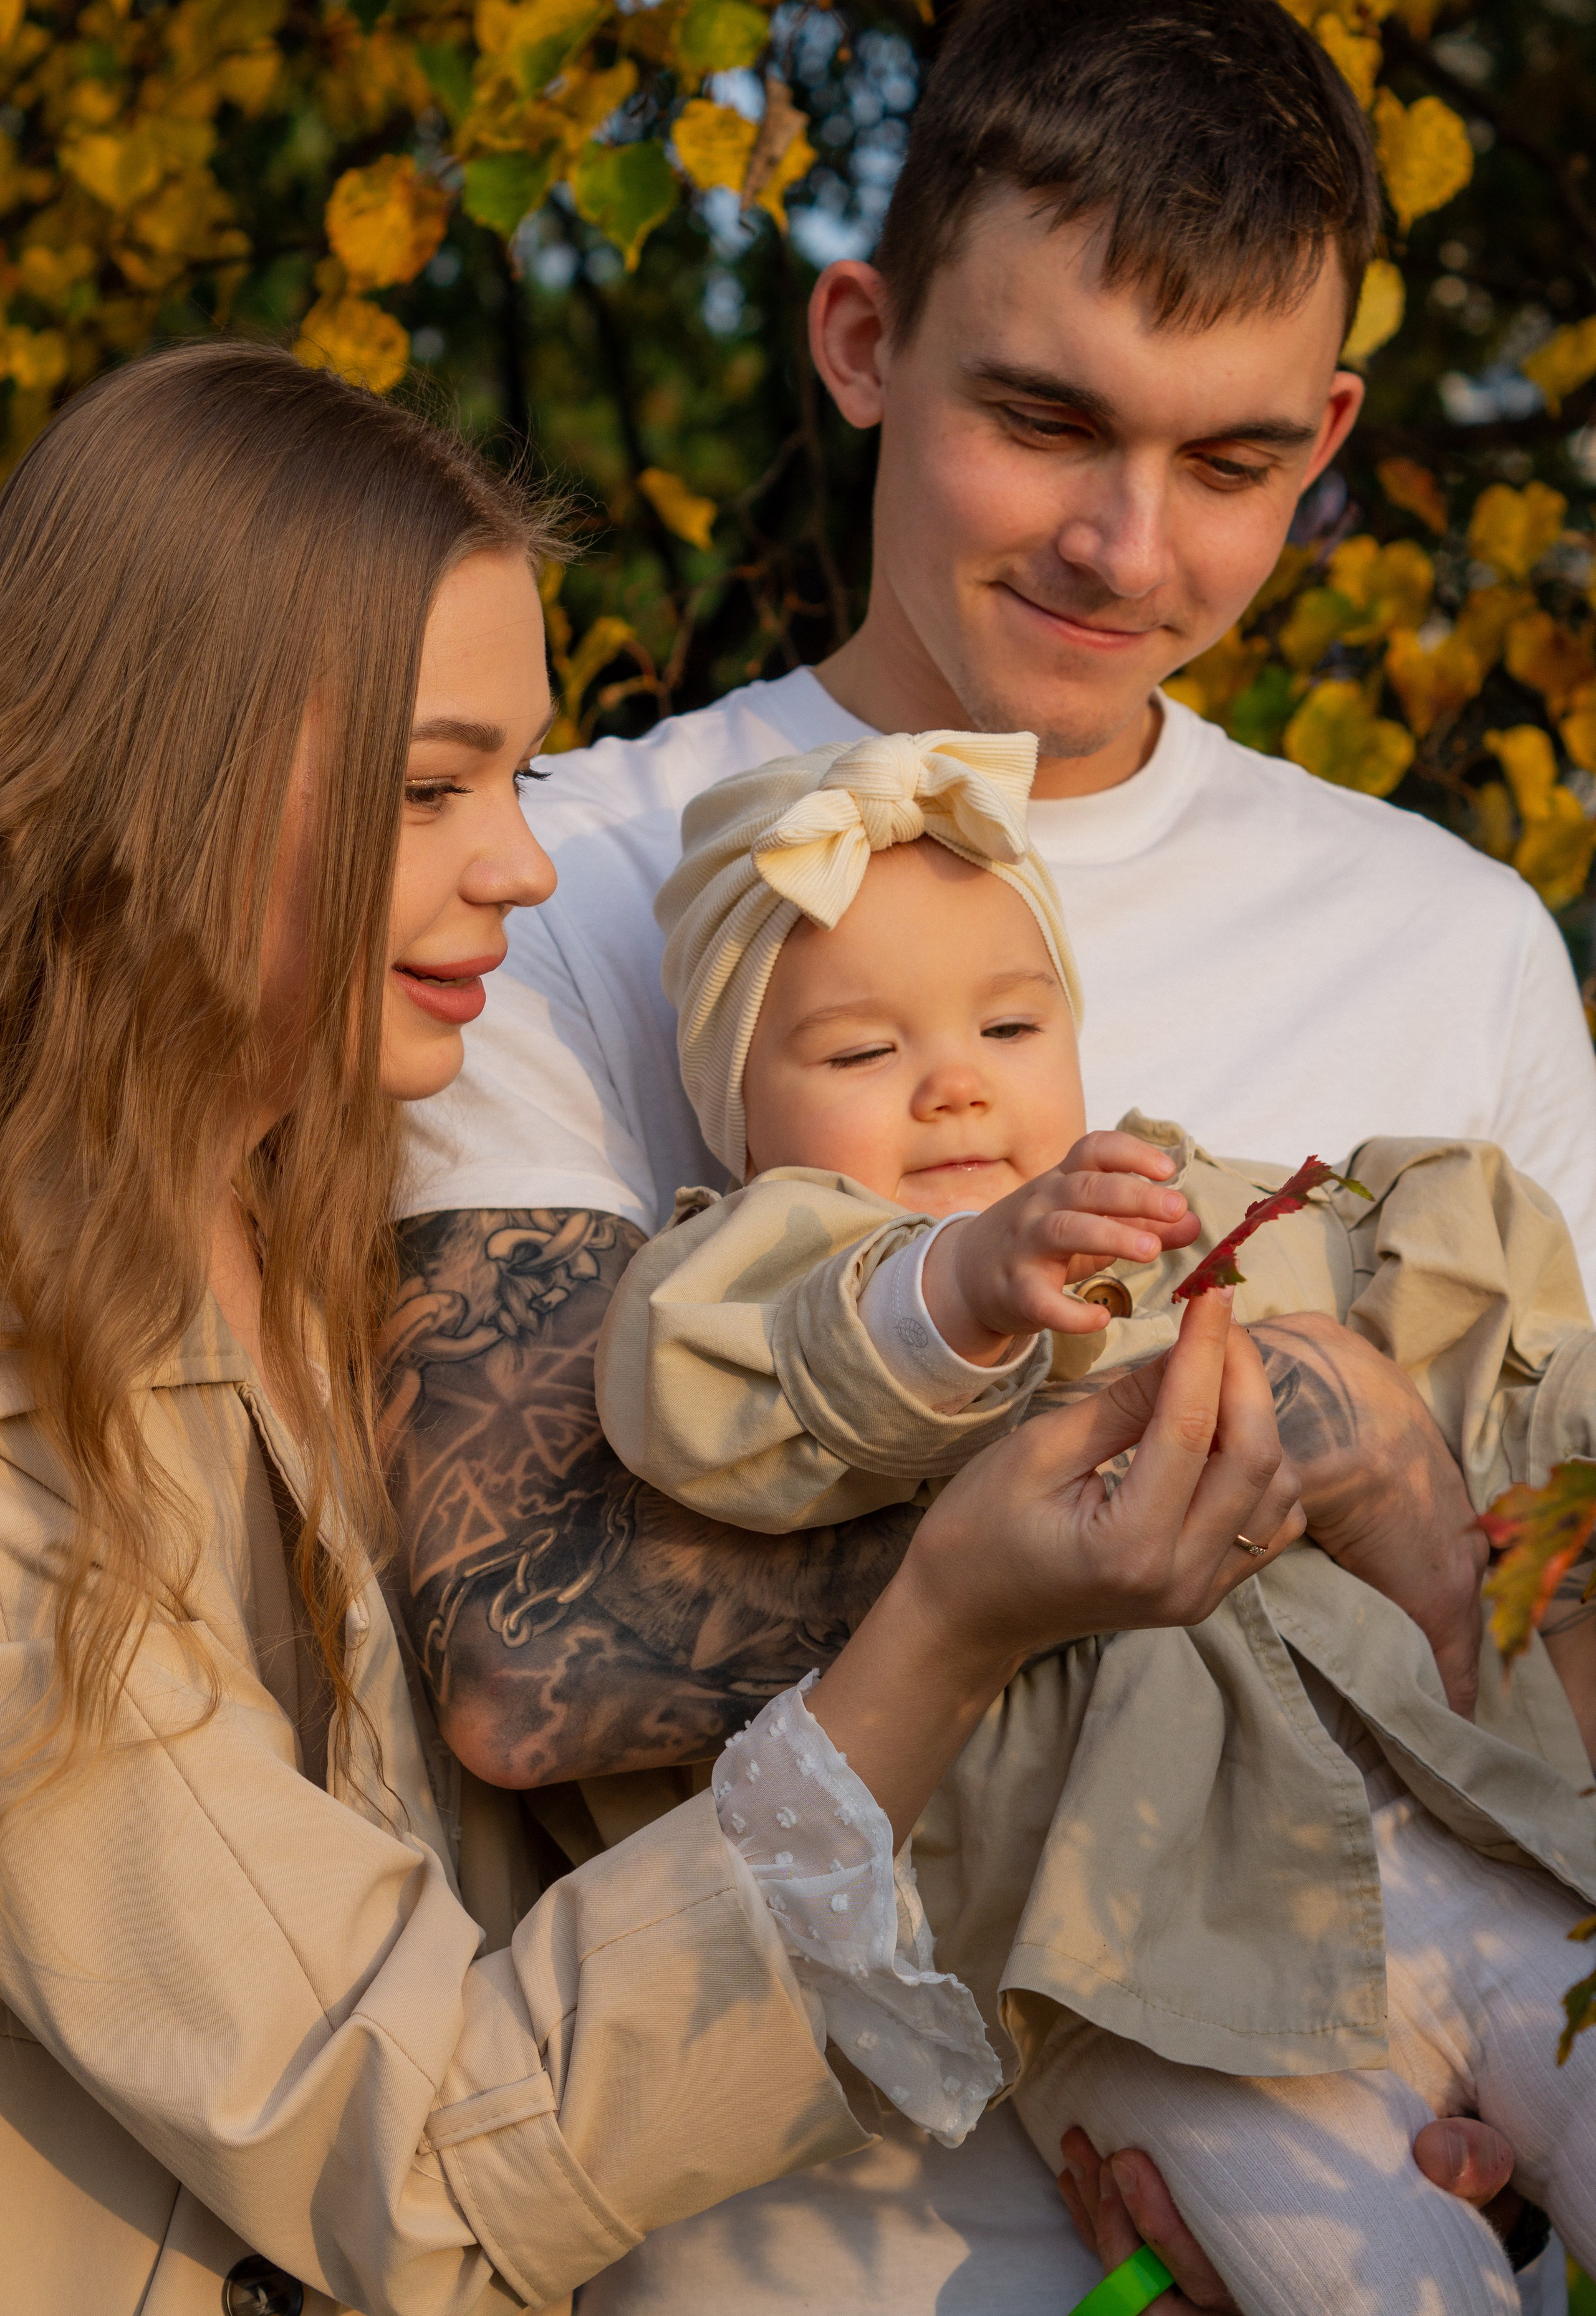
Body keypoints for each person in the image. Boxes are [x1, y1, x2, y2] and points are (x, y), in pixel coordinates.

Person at [385, 0, 1585, 2312]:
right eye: (1045, 420)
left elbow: (1543, 1605)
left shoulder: (1454, 942)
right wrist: (1294, 1459)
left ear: (1330, 430)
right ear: (859, 346)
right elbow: (523, 1643)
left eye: (1234, 462)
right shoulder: (565, 887)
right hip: (795, 2244)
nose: (1129, 550)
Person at [0, 341, 1316, 2316]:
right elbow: (431, 2152)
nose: (522, 866)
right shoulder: (35, 1421)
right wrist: (944, 1620)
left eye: (518, 775)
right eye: (429, 782)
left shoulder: (341, 1225)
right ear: (163, 772)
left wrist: (1253, 2092)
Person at [593, 726, 1596, 2314]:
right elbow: (730, 1388)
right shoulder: (775, 1278)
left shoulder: (1200, 1205)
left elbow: (1487, 1350)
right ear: (738, 1113)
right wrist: (966, 1282)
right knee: (1378, 2286)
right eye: (859, 1056)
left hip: (1438, 1839)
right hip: (1140, 1976)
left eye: (1009, 1020)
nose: (955, 1081)